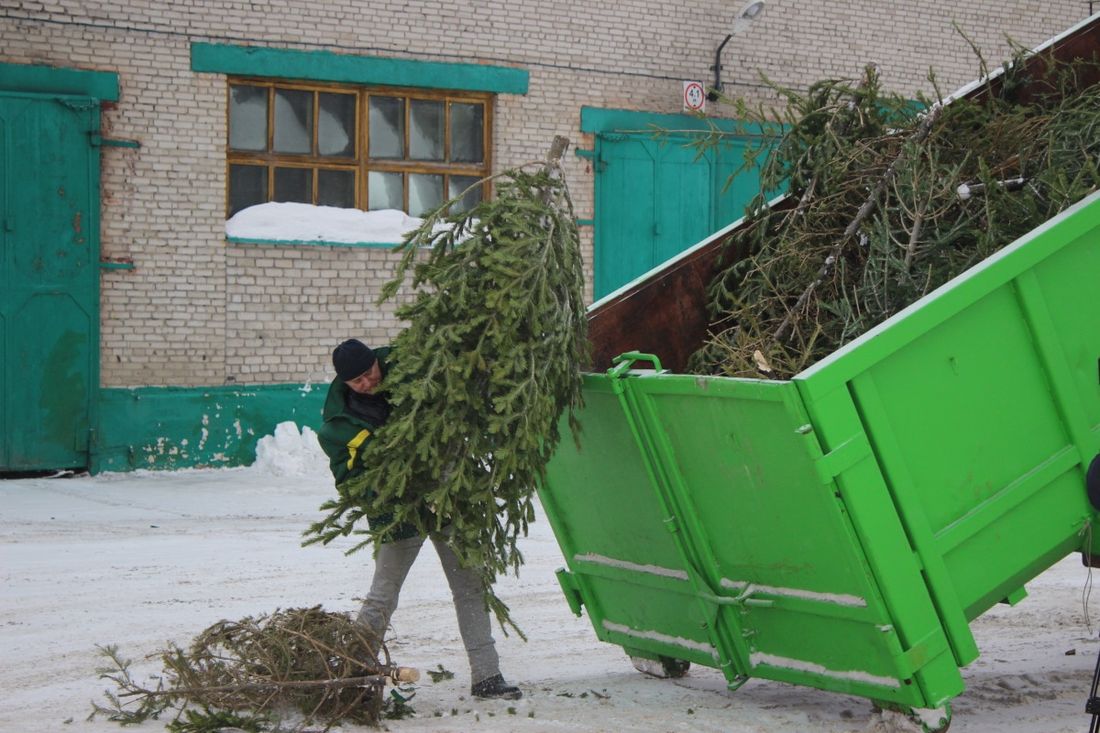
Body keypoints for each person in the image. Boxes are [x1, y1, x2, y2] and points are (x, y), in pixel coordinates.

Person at [316, 338, 522, 700]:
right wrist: (390, 491)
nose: (367, 383)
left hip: (445, 498)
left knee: (469, 586)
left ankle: (487, 676)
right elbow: (350, 482)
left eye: (369, 373)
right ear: (344, 383)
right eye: (357, 382)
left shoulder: (414, 371)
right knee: (383, 594)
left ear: (376, 363)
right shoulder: (339, 425)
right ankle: (354, 673)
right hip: (397, 513)